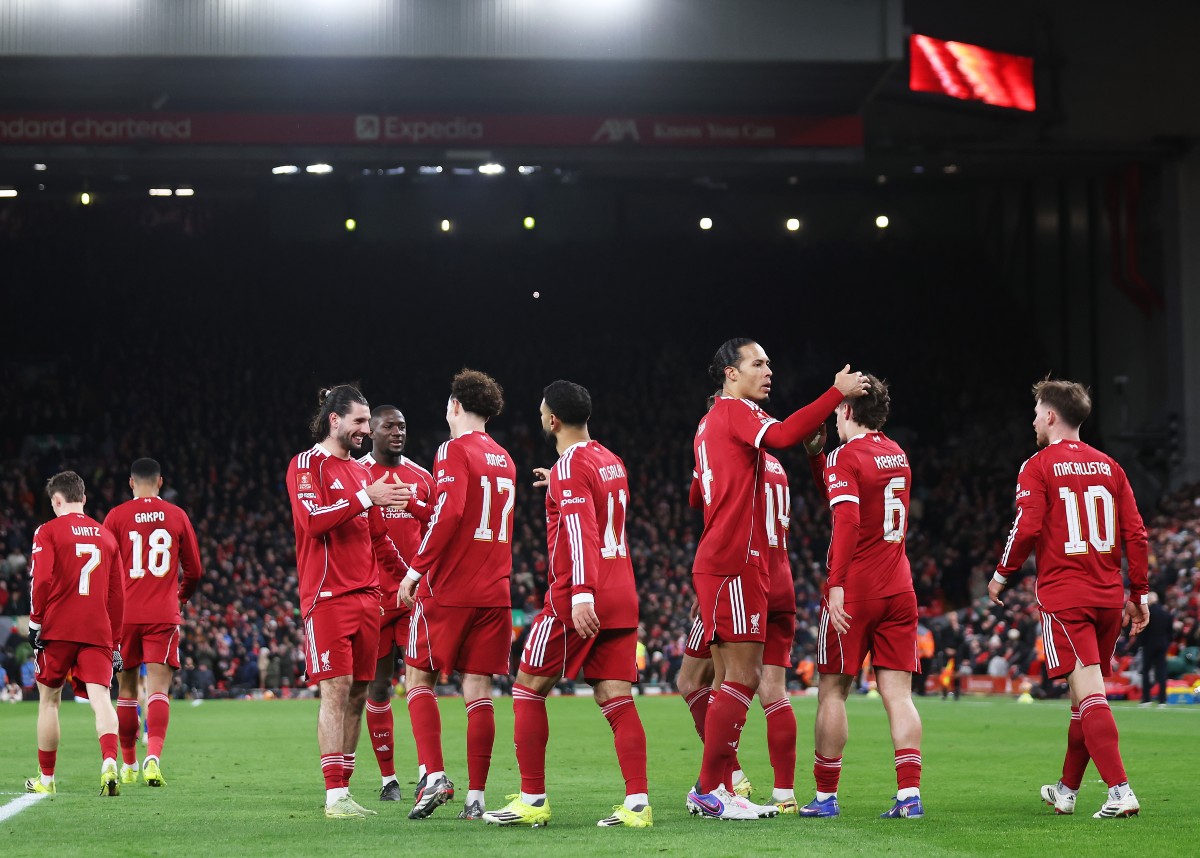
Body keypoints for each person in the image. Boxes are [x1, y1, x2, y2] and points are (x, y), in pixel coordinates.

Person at [686, 337, 868, 821]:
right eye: (758, 363)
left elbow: (696, 495)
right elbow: (786, 436)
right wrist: (834, 393)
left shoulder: (715, 425)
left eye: (769, 363)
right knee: (754, 683)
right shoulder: (737, 416)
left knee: (731, 679)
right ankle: (722, 787)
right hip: (742, 563)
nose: (769, 371)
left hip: (738, 562)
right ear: (730, 373)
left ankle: (717, 785)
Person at [483, 380, 651, 829]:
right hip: (622, 591)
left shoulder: (572, 466)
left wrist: (580, 595)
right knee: (616, 696)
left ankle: (533, 799)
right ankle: (638, 805)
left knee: (526, 688)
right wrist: (556, 483)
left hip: (579, 596)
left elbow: (582, 532)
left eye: (542, 413)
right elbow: (596, 512)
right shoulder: (608, 459)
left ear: (552, 420)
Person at [990, 377, 1149, 819]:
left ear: (1052, 416)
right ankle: (1066, 790)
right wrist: (1139, 593)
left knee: (1090, 695)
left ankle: (1120, 790)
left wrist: (1002, 575)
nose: (1034, 419)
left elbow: (1028, 527)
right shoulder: (1111, 467)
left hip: (1066, 597)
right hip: (1107, 599)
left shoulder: (1037, 465)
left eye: (1038, 412)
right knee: (1084, 699)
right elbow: (1135, 533)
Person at [797, 376, 925, 820]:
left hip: (855, 593)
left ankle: (826, 798)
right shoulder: (898, 453)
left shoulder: (847, 456)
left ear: (848, 410)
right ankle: (909, 796)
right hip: (900, 586)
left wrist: (836, 584)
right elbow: (842, 498)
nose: (833, 416)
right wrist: (817, 458)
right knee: (898, 694)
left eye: (836, 410)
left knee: (833, 691)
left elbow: (847, 520)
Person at [286, 385, 412, 820]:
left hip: (368, 598)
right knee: (336, 691)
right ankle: (334, 795)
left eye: (366, 423)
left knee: (360, 693)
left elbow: (377, 537)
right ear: (334, 420)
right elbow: (311, 521)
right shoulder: (307, 465)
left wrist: (411, 578)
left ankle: (346, 789)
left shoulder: (361, 473)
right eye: (359, 422)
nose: (365, 430)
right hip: (328, 597)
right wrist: (365, 497)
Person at [399, 369, 516, 822]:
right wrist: (418, 505)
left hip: (450, 589)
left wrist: (415, 569)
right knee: (478, 690)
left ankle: (433, 774)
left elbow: (450, 517)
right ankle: (477, 799)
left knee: (417, 677)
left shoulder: (452, 449)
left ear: (454, 406)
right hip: (495, 591)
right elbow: (468, 516)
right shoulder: (505, 459)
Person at [679, 393, 799, 813]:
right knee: (773, 690)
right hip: (781, 575)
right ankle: (782, 793)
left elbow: (703, 499)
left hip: (741, 571)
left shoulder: (734, 452)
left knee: (714, 680)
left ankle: (720, 782)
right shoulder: (778, 467)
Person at [102, 457, 203, 787]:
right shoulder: (176, 515)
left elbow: (103, 568)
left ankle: (128, 763)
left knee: (127, 690)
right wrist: (181, 597)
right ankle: (153, 757)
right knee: (159, 690)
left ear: (131, 483)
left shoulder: (116, 517)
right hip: (162, 614)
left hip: (125, 617)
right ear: (161, 481)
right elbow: (195, 570)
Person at [24, 471, 125, 796]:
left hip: (58, 627)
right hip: (97, 630)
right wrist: (116, 641)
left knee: (50, 701)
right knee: (101, 699)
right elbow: (117, 596)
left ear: (56, 500)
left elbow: (41, 580)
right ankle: (109, 762)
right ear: (83, 498)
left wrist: (35, 622)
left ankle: (47, 780)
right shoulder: (106, 536)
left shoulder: (48, 531)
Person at [357, 405, 435, 801]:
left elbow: (439, 528)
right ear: (371, 431)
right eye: (388, 426)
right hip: (373, 598)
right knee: (378, 688)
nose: (397, 432)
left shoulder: (422, 477)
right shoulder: (358, 476)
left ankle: (428, 773)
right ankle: (389, 779)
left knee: (420, 682)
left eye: (402, 426)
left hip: (415, 597)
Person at [1136, 592, 1171, 707]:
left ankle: (1146, 699)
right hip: (1162, 644)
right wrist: (1167, 643)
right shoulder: (1166, 612)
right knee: (1162, 672)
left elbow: (1142, 630)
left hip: (1149, 645)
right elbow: (1170, 632)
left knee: (1146, 671)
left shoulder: (1147, 612)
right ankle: (1162, 700)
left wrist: (1141, 643)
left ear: (1150, 599)